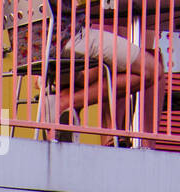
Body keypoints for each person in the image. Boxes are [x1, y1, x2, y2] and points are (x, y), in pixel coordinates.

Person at [51, 0, 165, 142]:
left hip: (37, 46)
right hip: (68, 36)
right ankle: (68, 104)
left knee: (96, 70)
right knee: (148, 67)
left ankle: (65, 108)